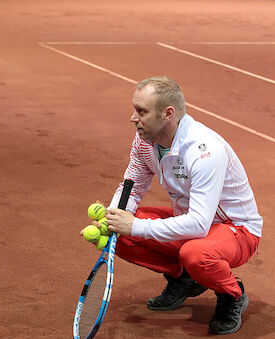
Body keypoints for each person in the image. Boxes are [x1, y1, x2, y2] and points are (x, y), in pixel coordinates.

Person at [104, 76, 262, 335]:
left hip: (236, 229)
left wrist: (136, 226)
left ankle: (232, 294)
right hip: (192, 221)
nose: (133, 118)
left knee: (196, 254)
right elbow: (131, 186)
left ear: (168, 113)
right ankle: (184, 278)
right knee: (117, 230)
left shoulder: (204, 151)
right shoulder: (145, 141)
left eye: (141, 111)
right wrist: (114, 216)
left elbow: (199, 224)